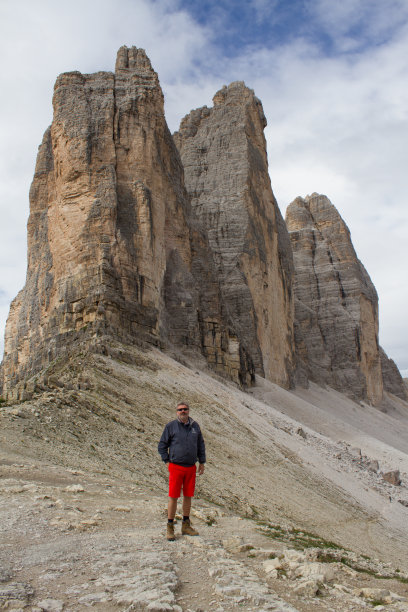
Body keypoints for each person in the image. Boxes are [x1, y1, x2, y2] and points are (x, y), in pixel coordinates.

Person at [158, 401, 206, 541]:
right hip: (176, 466)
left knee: (188, 496)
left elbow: (200, 444)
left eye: (185, 409)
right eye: (180, 410)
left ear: (189, 411)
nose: (183, 411)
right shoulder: (171, 426)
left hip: (191, 467)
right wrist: (167, 461)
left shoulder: (195, 426)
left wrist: (202, 462)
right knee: (173, 496)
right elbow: (162, 445)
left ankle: (186, 525)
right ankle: (170, 526)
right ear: (176, 412)